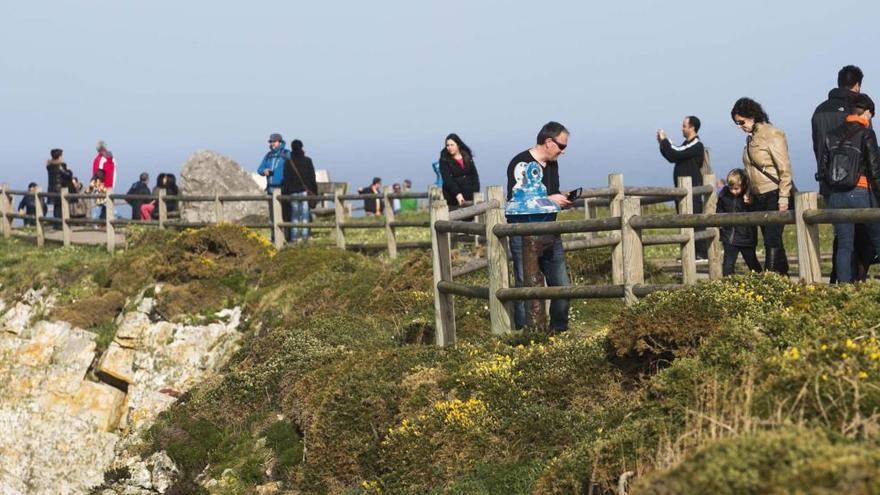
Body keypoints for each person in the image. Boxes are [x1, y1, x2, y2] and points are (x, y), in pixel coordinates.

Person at [506, 121, 573, 332]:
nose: (563, 152)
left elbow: (550, 193)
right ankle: (525, 333)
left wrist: (559, 198)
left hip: (550, 231)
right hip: (523, 232)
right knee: (525, 284)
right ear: (548, 142)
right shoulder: (520, 163)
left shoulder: (552, 164)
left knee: (561, 284)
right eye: (561, 146)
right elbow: (516, 201)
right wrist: (551, 199)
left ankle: (558, 330)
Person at [812, 65, 873, 282]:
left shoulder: (819, 111)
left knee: (843, 236)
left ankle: (839, 282)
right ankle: (858, 279)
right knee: (864, 235)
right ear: (857, 85)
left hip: (830, 183)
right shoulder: (857, 108)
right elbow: (868, 151)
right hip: (859, 183)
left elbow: (818, 148)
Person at [821, 93, 880, 283]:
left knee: (845, 246)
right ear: (868, 113)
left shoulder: (831, 134)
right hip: (861, 192)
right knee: (878, 240)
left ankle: (843, 290)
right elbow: (875, 169)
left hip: (837, 196)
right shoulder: (866, 134)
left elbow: (823, 170)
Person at [732, 97, 794, 276]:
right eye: (736, 123)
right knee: (770, 238)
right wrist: (750, 190)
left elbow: (785, 169)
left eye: (741, 122)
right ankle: (783, 277)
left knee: (772, 240)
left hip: (774, 193)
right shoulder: (751, 138)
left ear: (751, 116)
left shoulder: (772, 134)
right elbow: (751, 169)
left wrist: (783, 197)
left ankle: (770, 279)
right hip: (758, 196)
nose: (739, 126)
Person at [657, 116, 708, 260]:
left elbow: (676, 152)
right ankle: (689, 252)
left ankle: (701, 253)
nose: (682, 128)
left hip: (692, 190)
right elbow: (672, 156)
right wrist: (663, 143)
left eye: (684, 126)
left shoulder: (696, 145)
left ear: (692, 128)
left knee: (695, 221)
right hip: (682, 190)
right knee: (685, 221)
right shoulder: (687, 144)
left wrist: (665, 140)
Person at [718, 169, 762, 276]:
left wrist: (751, 203)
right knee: (728, 266)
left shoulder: (749, 196)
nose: (733, 191)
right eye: (731, 188)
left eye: (736, 188)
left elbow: (757, 211)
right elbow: (719, 210)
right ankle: (728, 287)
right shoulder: (724, 195)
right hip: (730, 237)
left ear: (743, 185)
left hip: (746, 237)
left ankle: (761, 281)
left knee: (752, 263)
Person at [282, 139, 318, 242]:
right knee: (305, 214)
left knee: (295, 216)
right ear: (302, 147)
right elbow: (312, 178)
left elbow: (286, 180)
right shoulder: (307, 161)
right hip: (304, 191)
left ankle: (294, 238)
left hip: (293, 192)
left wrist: (286, 193)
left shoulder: (288, 162)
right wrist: (315, 191)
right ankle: (305, 237)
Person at [257, 133, 291, 242]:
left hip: (283, 189)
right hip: (271, 190)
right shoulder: (268, 156)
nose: (272, 144)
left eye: (274, 141)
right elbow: (259, 169)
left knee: (285, 215)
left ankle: (286, 237)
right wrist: (264, 171)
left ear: (280, 142)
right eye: (270, 142)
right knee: (273, 216)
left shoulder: (287, 154)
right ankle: (274, 237)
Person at [438, 133, 480, 210]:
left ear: (458, 145)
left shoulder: (467, 157)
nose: (449, 147)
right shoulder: (444, 160)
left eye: (452, 145)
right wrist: (457, 194)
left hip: (470, 195)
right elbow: (447, 179)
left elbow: (475, 175)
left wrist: (476, 192)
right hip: (453, 199)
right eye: (447, 145)